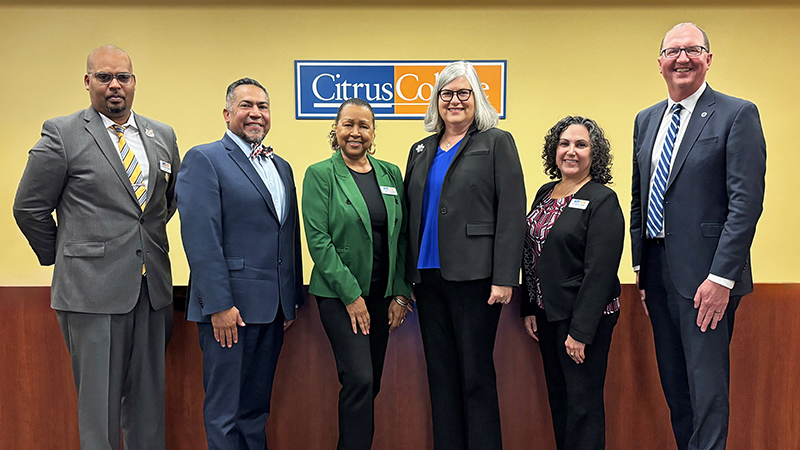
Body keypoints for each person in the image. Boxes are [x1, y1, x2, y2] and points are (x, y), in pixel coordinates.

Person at [13, 45, 180, 450]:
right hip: (90, 293)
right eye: (104, 77)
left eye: (123, 77)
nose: (115, 86)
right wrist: (69, 255)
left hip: (151, 290)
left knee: (148, 406)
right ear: (88, 82)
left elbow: (165, 203)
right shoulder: (62, 133)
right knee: (99, 410)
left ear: (134, 82)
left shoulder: (163, 135)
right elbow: (29, 207)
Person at [631, 23, 766, 450]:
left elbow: (746, 205)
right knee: (676, 391)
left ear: (709, 58)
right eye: (673, 51)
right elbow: (640, 197)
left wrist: (722, 278)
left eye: (693, 50)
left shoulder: (737, 114)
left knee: (706, 392)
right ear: (660, 63)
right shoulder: (646, 119)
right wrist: (641, 268)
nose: (682, 58)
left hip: (708, 279)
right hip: (657, 274)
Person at [404, 60, 526, 450]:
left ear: (477, 98)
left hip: (476, 277)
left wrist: (505, 276)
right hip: (427, 277)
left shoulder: (495, 142)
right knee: (441, 377)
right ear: (436, 100)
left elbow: (511, 208)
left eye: (463, 93)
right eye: (446, 94)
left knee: (475, 375)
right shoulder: (419, 149)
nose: (454, 101)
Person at [176, 78, 303, 450]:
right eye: (246, 105)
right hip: (228, 312)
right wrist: (218, 305)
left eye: (263, 106)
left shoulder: (281, 166)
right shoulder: (205, 159)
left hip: (273, 310)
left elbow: (287, 236)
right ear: (227, 113)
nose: (256, 114)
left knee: (255, 411)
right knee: (225, 414)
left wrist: (289, 299)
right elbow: (201, 238)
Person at [302, 97, 413, 450]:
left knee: (372, 382)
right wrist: (352, 296)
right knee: (360, 379)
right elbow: (319, 241)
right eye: (348, 124)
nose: (355, 132)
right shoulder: (321, 174)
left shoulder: (390, 173)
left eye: (363, 125)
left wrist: (400, 292)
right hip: (339, 296)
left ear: (373, 132)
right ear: (335, 129)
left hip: (382, 296)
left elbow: (403, 235)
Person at [521, 116, 624, 450]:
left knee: (583, 405)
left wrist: (580, 332)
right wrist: (529, 307)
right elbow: (530, 254)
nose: (571, 151)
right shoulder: (545, 193)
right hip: (548, 315)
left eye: (581, 145)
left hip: (583, 318)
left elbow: (601, 271)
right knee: (560, 399)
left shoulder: (602, 199)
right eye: (564, 143)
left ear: (595, 155)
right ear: (554, 150)